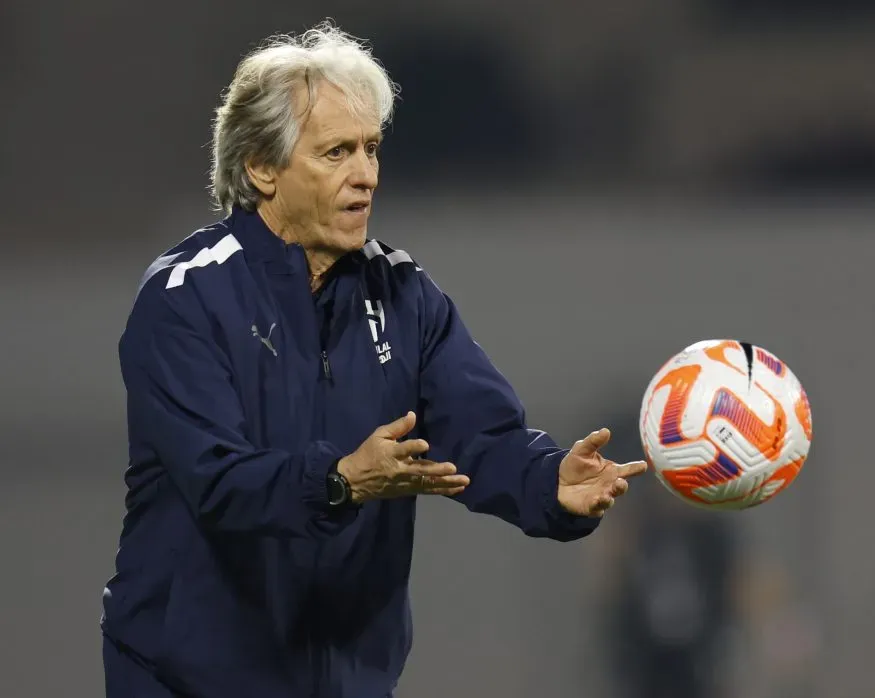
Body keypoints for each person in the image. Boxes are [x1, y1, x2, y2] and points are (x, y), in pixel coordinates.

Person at [99, 21, 647, 698]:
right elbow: (219, 483)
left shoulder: (405, 295)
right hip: (188, 685)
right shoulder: (187, 299)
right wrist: (340, 480)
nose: (365, 175)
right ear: (261, 168)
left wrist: (548, 485)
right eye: (335, 153)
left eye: (371, 149)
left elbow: (480, 437)